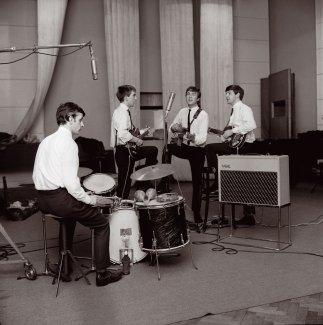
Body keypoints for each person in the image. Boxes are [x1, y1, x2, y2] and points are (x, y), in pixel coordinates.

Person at [33, 102, 123, 287]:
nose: (82, 124)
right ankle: (102, 273)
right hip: (60, 200)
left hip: (42, 200)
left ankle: (64, 269)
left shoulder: (46, 141)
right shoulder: (69, 144)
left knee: (68, 217)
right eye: (80, 120)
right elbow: (71, 185)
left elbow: (36, 175)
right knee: (101, 224)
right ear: (69, 118)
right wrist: (91, 199)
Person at [205, 84, 257, 225]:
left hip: (245, 147)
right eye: (226, 93)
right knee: (242, 180)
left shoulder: (245, 109)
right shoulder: (233, 112)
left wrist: (232, 132)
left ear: (238, 94)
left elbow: (251, 125)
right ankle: (249, 215)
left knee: (209, 148)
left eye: (229, 93)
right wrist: (223, 135)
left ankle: (216, 180)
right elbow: (229, 136)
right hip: (237, 147)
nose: (226, 96)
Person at [163, 86, 209, 231]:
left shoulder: (203, 115)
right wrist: (174, 127)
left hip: (197, 149)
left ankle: (196, 212)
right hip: (184, 147)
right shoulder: (182, 111)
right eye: (188, 94)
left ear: (198, 98)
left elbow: (202, 139)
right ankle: (165, 181)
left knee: (197, 181)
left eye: (193, 95)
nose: (190, 97)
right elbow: (171, 127)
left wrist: (191, 136)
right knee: (167, 149)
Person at [111, 85, 158, 199]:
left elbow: (129, 132)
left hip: (127, 151)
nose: (136, 98)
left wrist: (143, 132)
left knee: (152, 150)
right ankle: (121, 209)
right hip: (124, 152)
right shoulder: (122, 112)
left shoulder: (123, 111)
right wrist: (137, 140)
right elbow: (122, 134)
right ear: (126, 97)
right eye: (134, 95)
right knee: (124, 184)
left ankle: (144, 178)